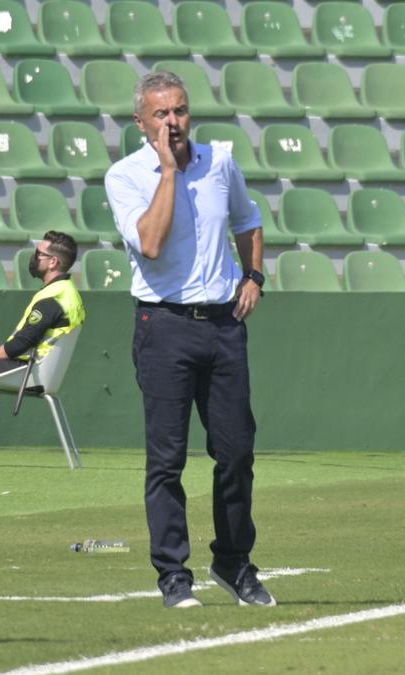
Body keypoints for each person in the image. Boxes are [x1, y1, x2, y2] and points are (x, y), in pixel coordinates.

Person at [104, 72, 273, 610]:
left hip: (224, 325)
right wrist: (170, 172)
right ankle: (174, 576)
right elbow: (150, 243)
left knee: (236, 451)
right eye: (161, 114)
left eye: (179, 111)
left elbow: (248, 220)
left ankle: (233, 562)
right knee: (166, 460)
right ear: (140, 122)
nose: (172, 122)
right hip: (164, 327)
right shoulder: (125, 176)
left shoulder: (221, 163)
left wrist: (254, 277)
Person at [0, 232, 84, 467]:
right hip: (33, 367)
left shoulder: (54, 296)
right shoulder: (66, 291)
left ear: (53, 262)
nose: (34, 258)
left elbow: (20, 344)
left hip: (28, 369)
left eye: (39, 254)